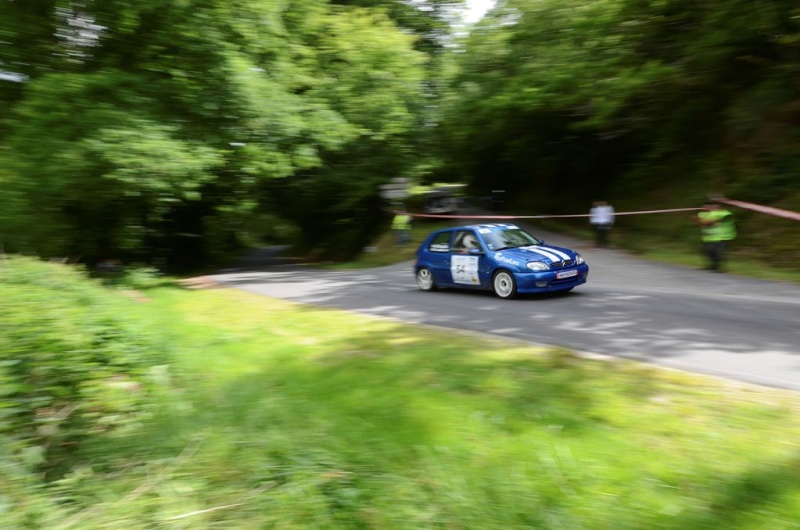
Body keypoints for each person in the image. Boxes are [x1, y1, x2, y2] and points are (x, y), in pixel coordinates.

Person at [694, 201, 736, 272]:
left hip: (723, 237)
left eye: (714, 205)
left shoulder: (725, 213)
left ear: (720, 206)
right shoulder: (705, 213)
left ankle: (721, 268)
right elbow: (699, 224)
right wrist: (698, 220)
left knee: (716, 251)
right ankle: (712, 266)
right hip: (709, 237)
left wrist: (697, 220)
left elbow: (710, 223)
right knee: (706, 252)